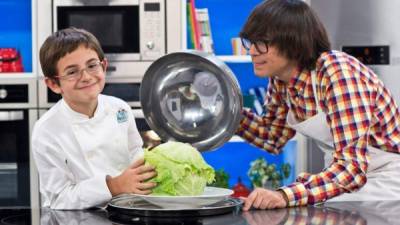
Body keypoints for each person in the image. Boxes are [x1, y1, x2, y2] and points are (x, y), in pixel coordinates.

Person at [236, 0, 400, 210]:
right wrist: (226, 116)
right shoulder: (280, 81)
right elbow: (272, 137)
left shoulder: (337, 72)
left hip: (387, 184)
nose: (252, 52)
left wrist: (284, 196)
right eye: (250, 42)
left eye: (262, 43)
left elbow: (352, 169)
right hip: (344, 179)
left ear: (293, 43)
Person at [32, 27, 157, 209]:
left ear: (104, 66)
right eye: (72, 72)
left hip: (127, 209)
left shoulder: (120, 108)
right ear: (53, 84)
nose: (86, 77)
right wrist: (113, 187)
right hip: (74, 218)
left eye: (92, 66)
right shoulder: (47, 130)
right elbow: (59, 199)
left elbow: (135, 156)